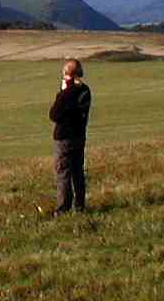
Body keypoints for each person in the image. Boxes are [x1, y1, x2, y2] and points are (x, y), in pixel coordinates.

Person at [49, 58, 91, 215]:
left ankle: (63, 208)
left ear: (68, 74)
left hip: (64, 138)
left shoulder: (68, 93)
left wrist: (63, 92)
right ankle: (79, 206)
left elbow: (54, 114)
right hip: (79, 136)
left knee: (63, 173)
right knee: (77, 172)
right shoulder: (85, 91)